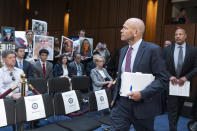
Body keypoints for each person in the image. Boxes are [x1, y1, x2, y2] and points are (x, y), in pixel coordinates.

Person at [110, 18, 168, 131]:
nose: (121, 30)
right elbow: (121, 76)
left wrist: (142, 94)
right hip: (122, 104)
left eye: (125, 28)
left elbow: (163, 79)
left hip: (143, 105)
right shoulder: (123, 50)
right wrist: (115, 97)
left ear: (136, 32)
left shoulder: (153, 50)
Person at [163, 27, 197, 131]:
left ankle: (174, 125)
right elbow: (162, 67)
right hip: (171, 84)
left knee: (179, 109)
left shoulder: (193, 50)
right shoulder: (167, 50)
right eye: (176, 34)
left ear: (185, 36)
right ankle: (172, 128)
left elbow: (196, 67)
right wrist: (170, 76)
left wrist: (186, 77)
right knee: (172, 108)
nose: (178, 36)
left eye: (180, 34)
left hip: (184, 85)